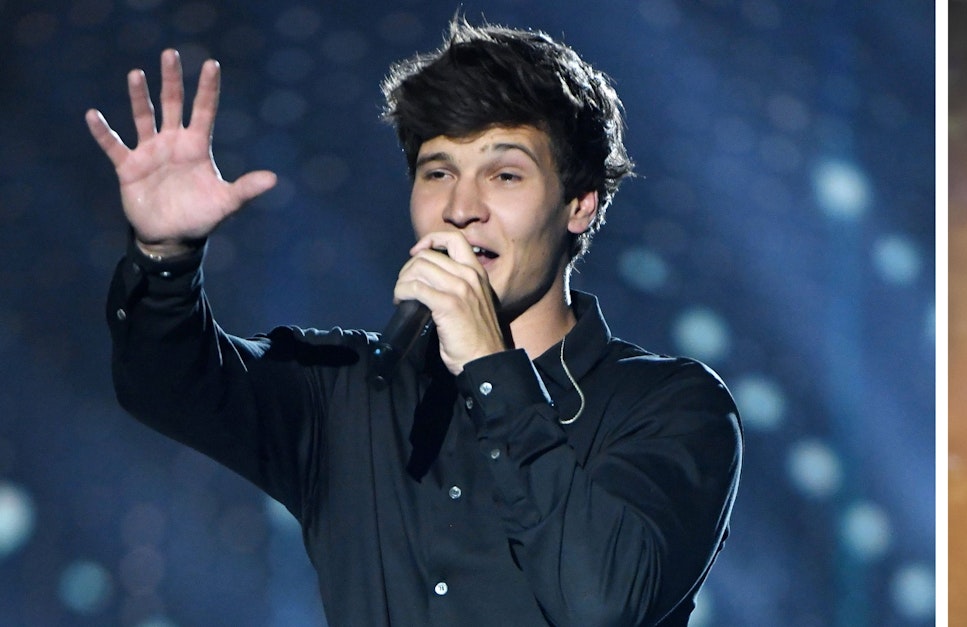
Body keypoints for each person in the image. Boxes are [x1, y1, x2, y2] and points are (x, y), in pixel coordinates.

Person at [87, 20, 741, 626]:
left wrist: (493, 371)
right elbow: (167, 383)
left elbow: (602, 599)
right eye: (437, 172)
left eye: (505, 174)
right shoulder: (353, 389)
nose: (460, 207)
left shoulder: (674, 406)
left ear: (579, 204)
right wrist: (165, 258)